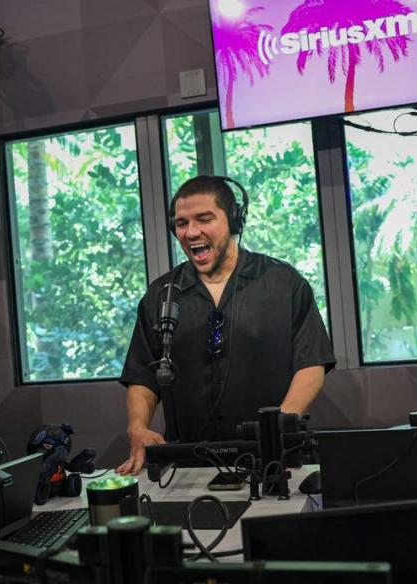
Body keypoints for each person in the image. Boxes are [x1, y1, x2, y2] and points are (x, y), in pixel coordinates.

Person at [117, 176, 336, 475]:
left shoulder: (284, 283)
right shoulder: (160, 294)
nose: (191, 232)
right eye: (181, 223)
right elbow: (143, 375)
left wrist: (281, 424)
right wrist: (137, 426)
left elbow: (311, 362)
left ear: (234, 220)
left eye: (204, 219)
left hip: (274, 461)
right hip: (189, 467)